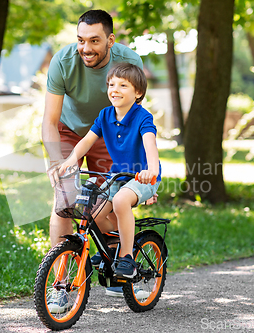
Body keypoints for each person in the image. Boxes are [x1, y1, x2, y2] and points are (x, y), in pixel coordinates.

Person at [42, 9, 144, 304]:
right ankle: (61, 283)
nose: (86, 48)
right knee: (65, 202)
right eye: (81, 40)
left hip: (110, 134)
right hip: (68, 131)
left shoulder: (129, 62)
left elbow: (136, 119)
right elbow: (49, 119)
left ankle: (117, 265)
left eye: (95, 41)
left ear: (110, 40)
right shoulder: (63, 61)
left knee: (103, 206)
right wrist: (54, 162)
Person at [58, 62, 161, 281]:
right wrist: (70, 160)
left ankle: (126, 257)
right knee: (91, 214)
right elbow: (87, 141)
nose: (115, 89)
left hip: (142, 177)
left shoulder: (143, 118)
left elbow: (150, 145)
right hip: (117, 176)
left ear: (138, 92)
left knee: (122, 200)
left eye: (123, 85)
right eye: (112, 84)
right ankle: (111, 246)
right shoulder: (105, 115)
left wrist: (151, 170)